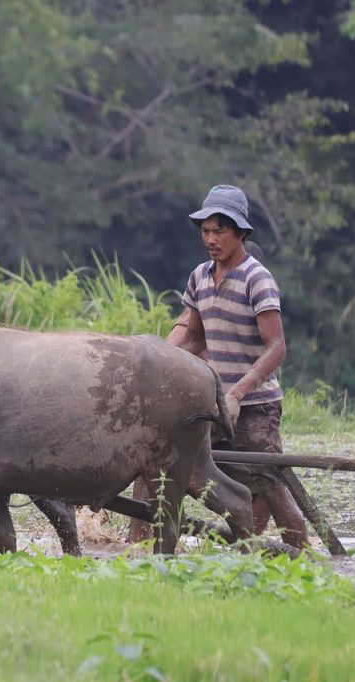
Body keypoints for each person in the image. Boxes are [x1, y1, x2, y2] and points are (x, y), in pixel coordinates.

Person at [128, 186, 308, 549]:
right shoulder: (200, 277)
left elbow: (277, 347)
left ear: (241, 233)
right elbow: (192, 337)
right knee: (156, 463)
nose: (210, 239)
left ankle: (302, 557)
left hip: (255, 405)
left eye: (219, 231)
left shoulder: (257, 279)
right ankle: (137, 547)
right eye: (205, 231)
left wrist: (239, 392)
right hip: (209, 402)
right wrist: (153, 365)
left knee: (269, 483)